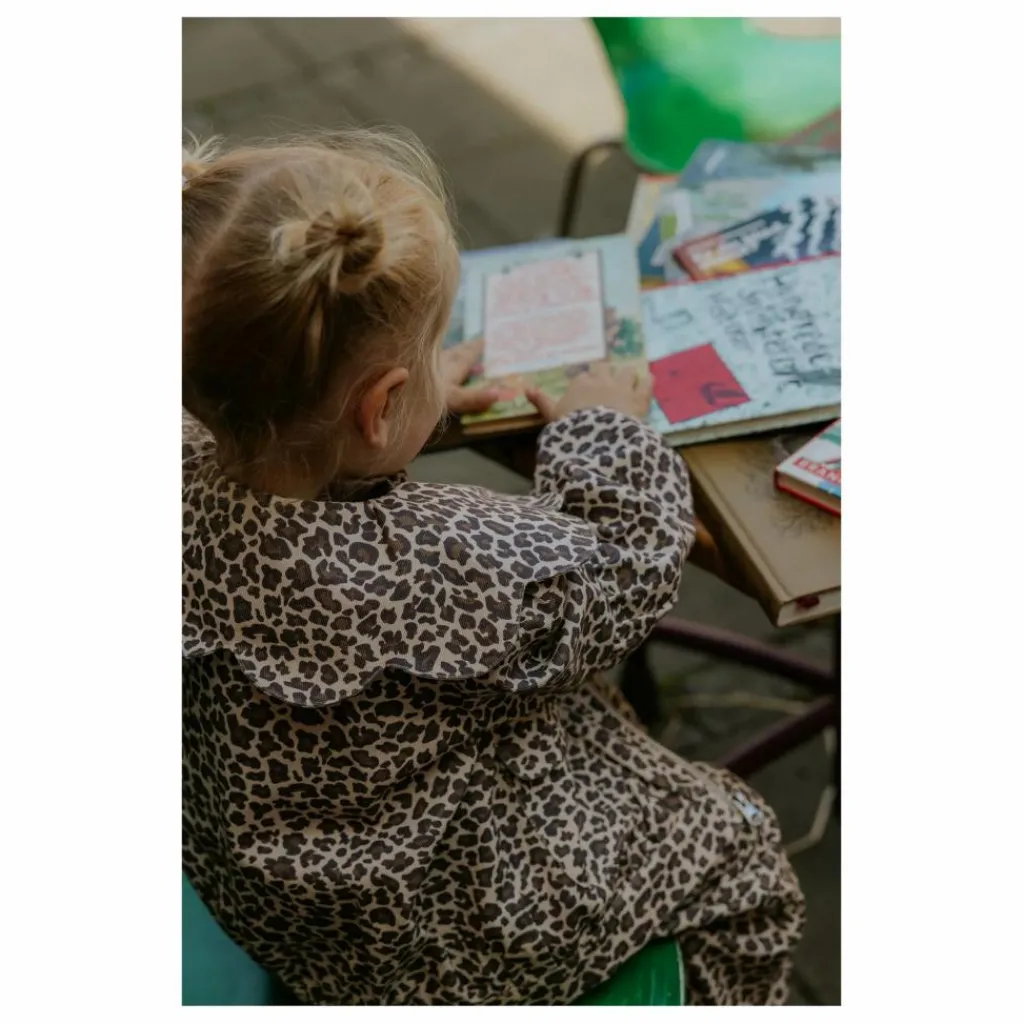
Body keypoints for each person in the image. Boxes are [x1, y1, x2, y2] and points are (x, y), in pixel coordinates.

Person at [181, 127, 805, 1006]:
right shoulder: (444, 560)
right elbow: (625, 569)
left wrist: (392, 414)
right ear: (380, 407)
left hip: (290, 904)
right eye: (429, 355)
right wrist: (602, 430)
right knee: (736, 848)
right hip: (456, 935)